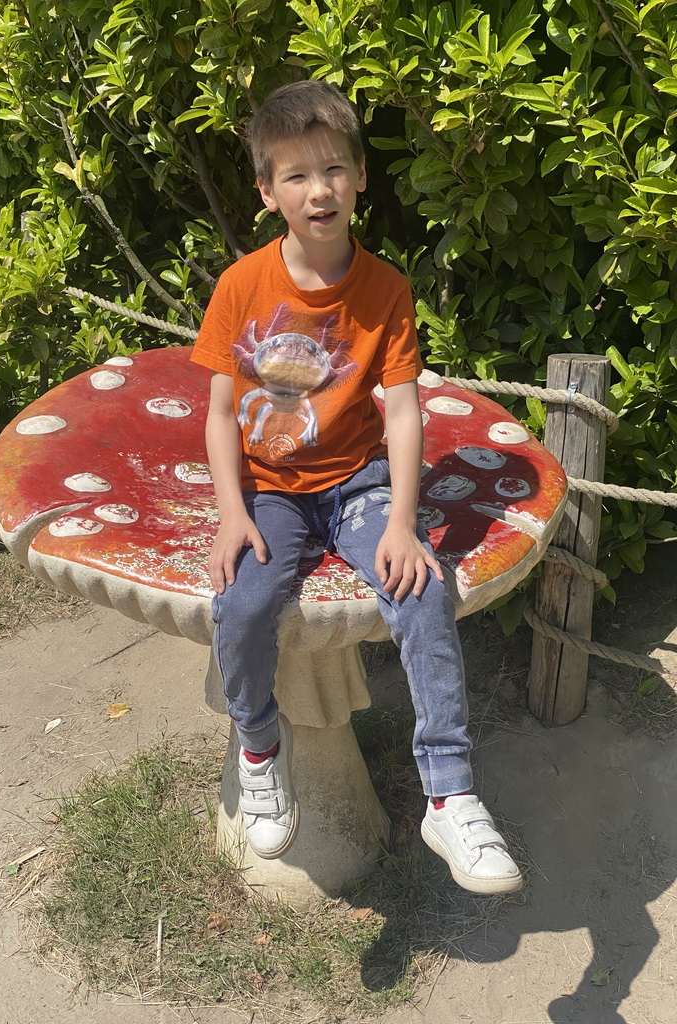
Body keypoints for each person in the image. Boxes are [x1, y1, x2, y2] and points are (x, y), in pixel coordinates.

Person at [190, 80, 522, 895]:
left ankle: (449, 792)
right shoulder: (241, 287)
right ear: (268, 194)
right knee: (242, 600)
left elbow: (404, 415)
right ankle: (261, 744)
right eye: (296, 176)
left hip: (359, 483)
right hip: (269, 486)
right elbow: (221, 412)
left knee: (423, 590)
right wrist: (233, 513)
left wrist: (402, 524)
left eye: (334, 169)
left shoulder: (385, 290)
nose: (319, 189)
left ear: (361, 177)